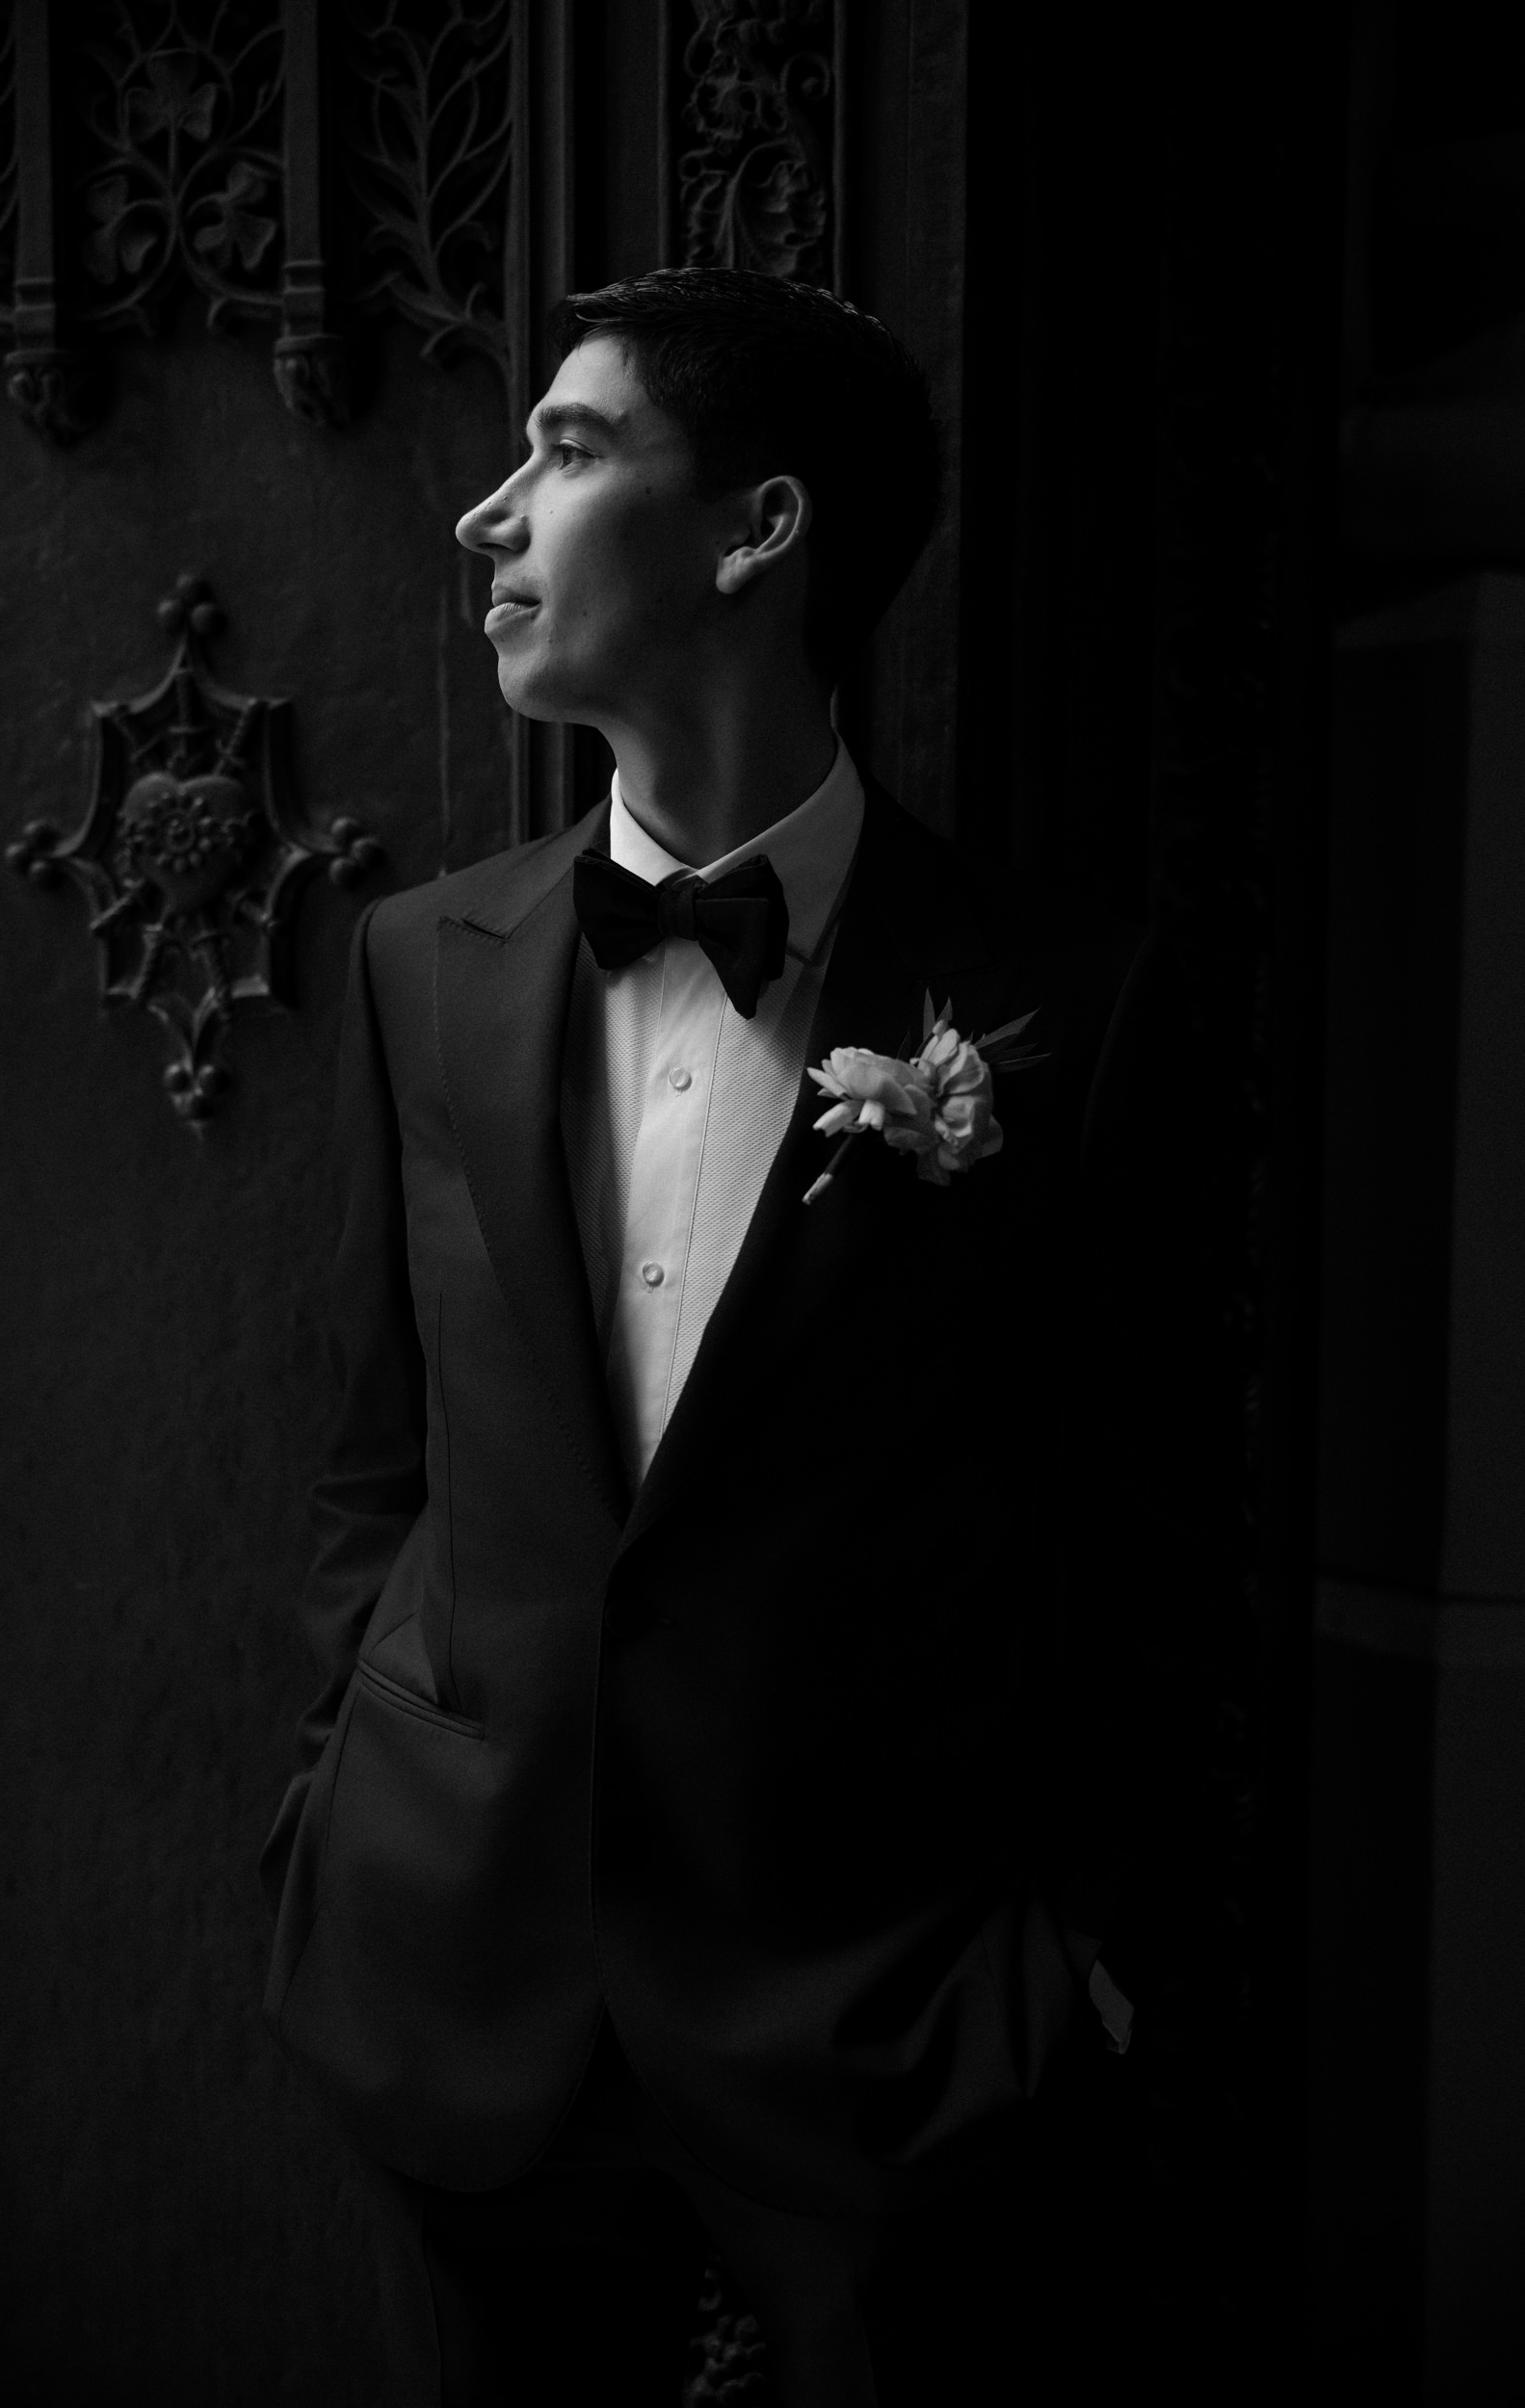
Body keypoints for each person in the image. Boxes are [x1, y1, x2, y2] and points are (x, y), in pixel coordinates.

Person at [261, 267, 1170, 2405]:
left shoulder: (1072, 999)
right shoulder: (417, 964)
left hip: (881, 2066)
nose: (487, 515)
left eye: (565, 454)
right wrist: (322, 1820)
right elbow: (374, 1468)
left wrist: (1086, 1979)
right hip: (457, 2015)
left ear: (760, 531)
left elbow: (1135, 1532)